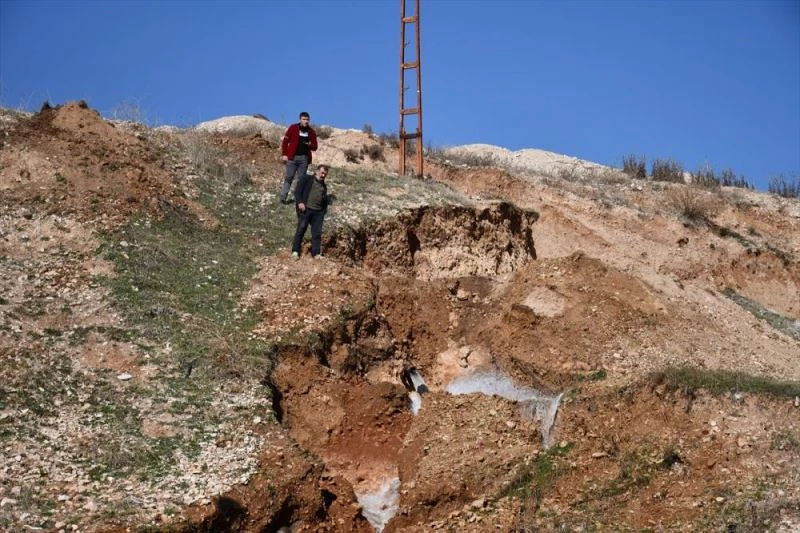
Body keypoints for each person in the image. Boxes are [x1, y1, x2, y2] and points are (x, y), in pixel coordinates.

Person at [291, 165, 330, 259]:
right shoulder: (307, 179)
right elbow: (297, 191)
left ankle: (316, 253)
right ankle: (295, 251)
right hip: (306, 209)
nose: (323, 175)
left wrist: (323, 211)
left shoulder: (323, 186)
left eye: (325, 174)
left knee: (317, 233)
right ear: (316, 171)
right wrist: (300, 202)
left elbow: (324, 199)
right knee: (301, 229)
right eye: (322, 172)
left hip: (318, 213)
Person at [280, 111, 318, 204]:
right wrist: (284, 154)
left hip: (304, 159)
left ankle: (298, 199)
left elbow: (315, 147)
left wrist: (309, 144)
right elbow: (285, 141)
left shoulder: (311, 132)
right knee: (289, 177)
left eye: (307, 119)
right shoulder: (293, 128)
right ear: (300, 119)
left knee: (301, 180)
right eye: (304, 119)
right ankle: (283, 198)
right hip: (292, 157)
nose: (306, 121)